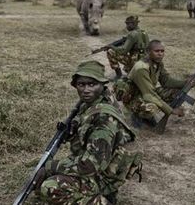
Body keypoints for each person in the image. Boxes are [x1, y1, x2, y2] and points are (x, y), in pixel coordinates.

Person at [34, 60, 142, 205]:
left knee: (50, 187)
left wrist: (49, 166)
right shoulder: (96, 100)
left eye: (92, 84)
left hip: (104, 174)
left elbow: (89, 166)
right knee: (44, 179)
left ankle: (101, 200)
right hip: (102, 162)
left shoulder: (104, 118)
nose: (86, 90)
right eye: (81, 84)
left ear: (102, 84)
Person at [124, 40, 190, 127]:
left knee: (175, 92)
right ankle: (137, 116)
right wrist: (171, 110)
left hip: (145, 93)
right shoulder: (141, 68)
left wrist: (185, 83)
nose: (160, 54)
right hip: (134, 98)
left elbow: (166, 81)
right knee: (152, 107)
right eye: (157, 51)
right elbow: (149, 95)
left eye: (162, 51)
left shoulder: (157, 63)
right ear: (148, 51)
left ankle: (146, 116)